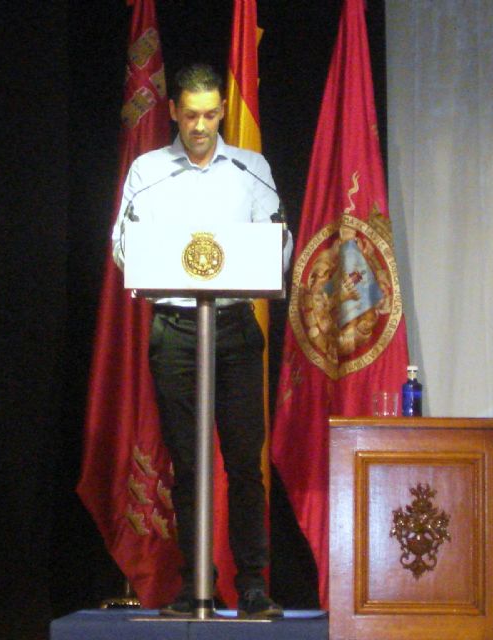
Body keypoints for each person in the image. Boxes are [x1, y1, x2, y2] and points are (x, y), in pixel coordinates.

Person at [112, 63, 292, 619]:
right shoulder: (148, 171)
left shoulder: (250, 168)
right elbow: (123, 244)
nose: (200, 125)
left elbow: (279, 242)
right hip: (176, 329)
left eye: (210, 114)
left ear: (221, 112)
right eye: (190, 114)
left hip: (235, 328)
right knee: (188, 464)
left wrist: (262, 257)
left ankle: (255, 585)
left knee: (242, 462)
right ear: (173, 111)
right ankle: (197, 585)